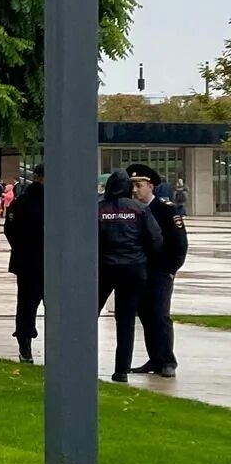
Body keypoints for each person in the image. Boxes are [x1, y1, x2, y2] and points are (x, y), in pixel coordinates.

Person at [96, 168, 163, 382]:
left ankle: (83, 362)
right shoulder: (139, 209)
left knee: (88, 317)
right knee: (126, 322)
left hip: (104, 268)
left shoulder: (98, 209)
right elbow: (155, 239)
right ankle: (121, 371)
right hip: (134, 269)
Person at [128, 164, 187, 378]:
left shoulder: (166, 209)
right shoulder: (132, 210)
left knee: (160, 316)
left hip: (160, 272)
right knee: (145, 316)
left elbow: (179, 244)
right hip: (140, 272)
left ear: (150, 186)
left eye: (139, 185)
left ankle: (167, 361)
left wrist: (171, 269)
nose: (135, 190)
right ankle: (155, 358)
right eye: (132, 185)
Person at [2, 164, 45, 363]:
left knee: (32, 306)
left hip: (40, 263)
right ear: (38, 177)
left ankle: (29, 342)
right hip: (31, 263)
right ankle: (25, 344)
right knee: (27, 306)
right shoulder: (23, 202)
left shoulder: (59, 200)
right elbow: (11, 230)